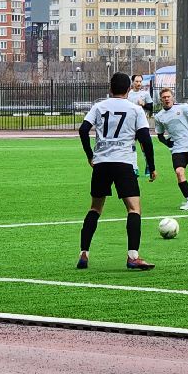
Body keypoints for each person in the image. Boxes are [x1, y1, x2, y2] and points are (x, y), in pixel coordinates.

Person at [78, 72, 159, 271]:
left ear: (110, 89)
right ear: (129, 89)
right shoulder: (135, 109)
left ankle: (84, 254)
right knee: (133, 209)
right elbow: (145, 139)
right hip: (124, 163)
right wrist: (152, 166)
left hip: (102, 163)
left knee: (95, 208)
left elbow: (82, 130)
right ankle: (133, 256)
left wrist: (90, 155)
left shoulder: (99, 107)